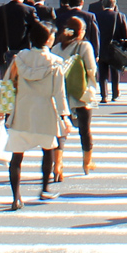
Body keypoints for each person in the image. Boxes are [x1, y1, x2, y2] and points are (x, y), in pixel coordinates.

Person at [0, 20, 69, 209]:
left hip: (22, 112)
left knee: (17, 157)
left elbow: (8, 82)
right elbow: (59, 93)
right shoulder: (55, 63)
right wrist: (64, 116)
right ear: (49, 39)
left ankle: (16, 198)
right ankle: (44, 189)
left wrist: (2, 109)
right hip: (46, 112)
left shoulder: (20, 58)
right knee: (48, 151)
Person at [50, 17, 98, 177]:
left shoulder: (56, 48)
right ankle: (87, 163)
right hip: (80, 95)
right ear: (81, 31)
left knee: (60, 132)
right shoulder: (84, 46)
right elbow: (91, 69)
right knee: (85, 130)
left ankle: (58, 166)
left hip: (60, 97)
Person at [93, 0, 127, 102]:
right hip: (115, 48)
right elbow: (125, 34)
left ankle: (104, 95)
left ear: (103, 5)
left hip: (101, 47)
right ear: (114, 5)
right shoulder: (120, 16)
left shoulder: (96, 16)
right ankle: (115, 94)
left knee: (102, 73)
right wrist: (126, 48)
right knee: (115, 72)